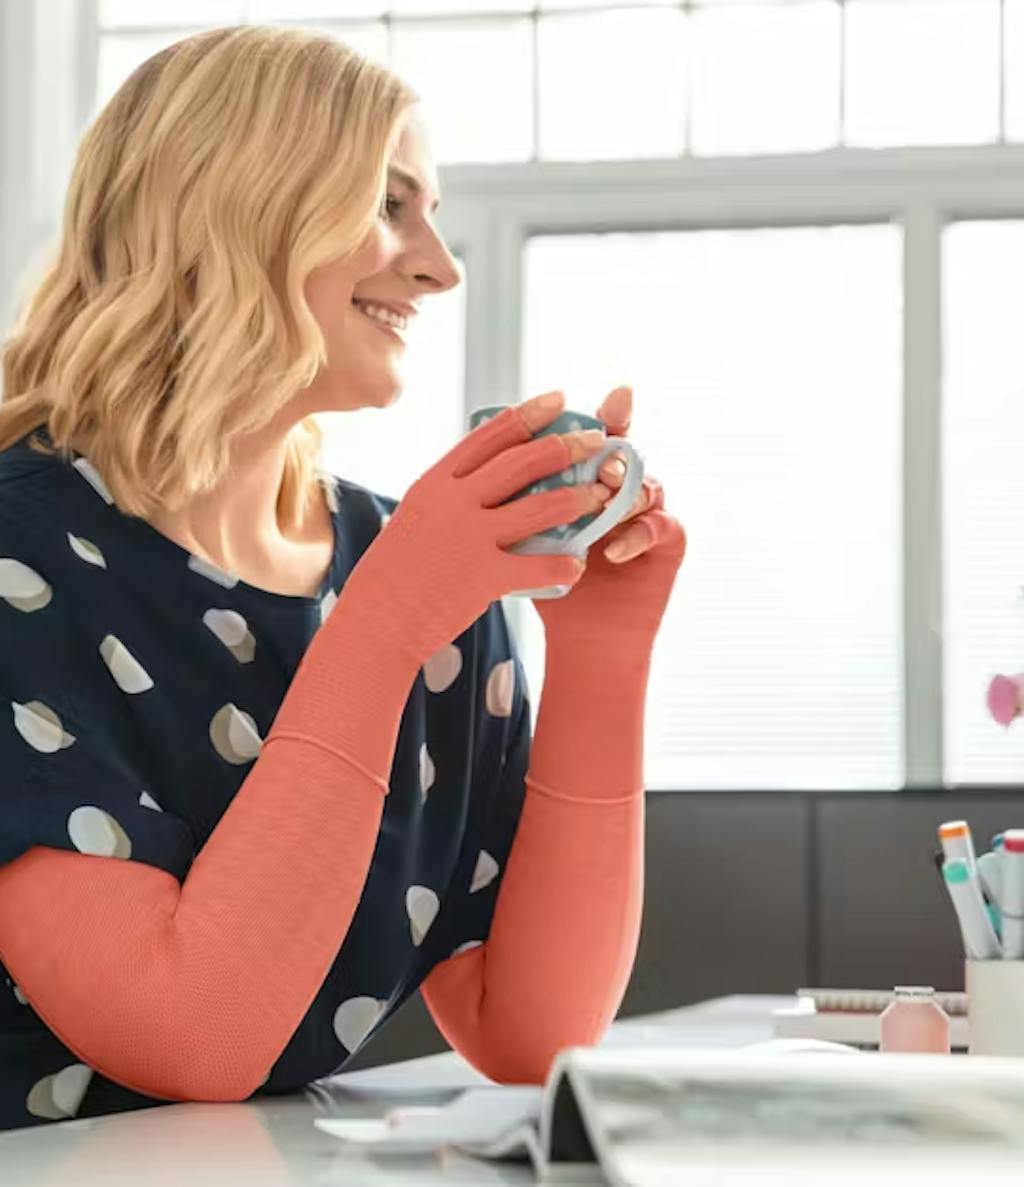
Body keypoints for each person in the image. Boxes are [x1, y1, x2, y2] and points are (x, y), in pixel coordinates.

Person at [0, 25, 686, 1130]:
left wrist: (605, 646)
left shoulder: (401, 563)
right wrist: (387, 620)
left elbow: (533, 1030)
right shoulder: (20, 560)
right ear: (237, 208)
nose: (440, 266)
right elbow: (191, 1039)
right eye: (389, 204)